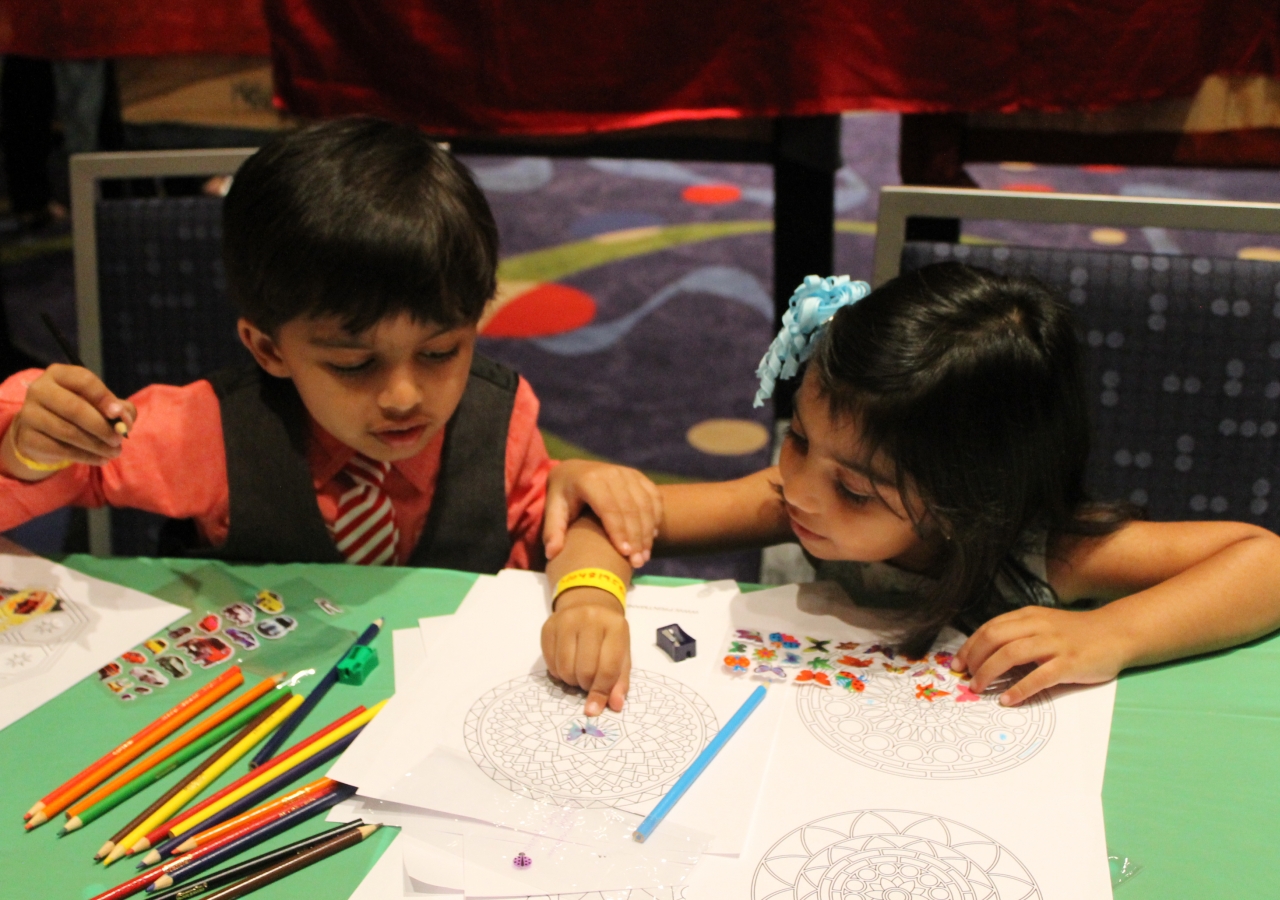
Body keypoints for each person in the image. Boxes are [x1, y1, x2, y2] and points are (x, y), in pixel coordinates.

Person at [0, 117, 656, 716]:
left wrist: (589, 591)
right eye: (352, 364)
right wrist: (29, 445)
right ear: (267, 348)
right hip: (252, 712)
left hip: (442, 714)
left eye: (439, 351)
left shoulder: (498, 417)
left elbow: (552, 525)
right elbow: (51, 478)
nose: (405, 395)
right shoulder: (210, 432)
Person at [563, 263, 1280, 706]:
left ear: (967, 502)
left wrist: (1111, 631)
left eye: (857, 491)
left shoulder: (1042, 555)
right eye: (801, 441)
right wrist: (589, 595)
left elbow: (1266, 562)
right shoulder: (791, 502)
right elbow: (613, 516)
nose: (802, 489)